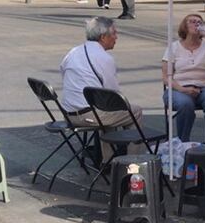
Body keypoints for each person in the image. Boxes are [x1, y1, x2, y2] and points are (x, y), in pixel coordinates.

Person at [59, 16, 143, 163]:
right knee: (135, 112)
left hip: (68, 113)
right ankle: (131, 162)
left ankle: (108, 159)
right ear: (103, 37)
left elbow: (63, 72)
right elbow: (114, 97)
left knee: (106, 113)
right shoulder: (104, 58)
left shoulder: (73, 51)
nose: (116, 37)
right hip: (89, 116)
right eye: (114, 33)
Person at [162, 14, 205, 144]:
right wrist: (183, 89)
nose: (196, 24)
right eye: (192, 21)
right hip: (179, 88)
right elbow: (165, 76)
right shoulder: (174, 47)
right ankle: (183, 143)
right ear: (185, 26)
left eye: (199, 22)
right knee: (186, 104)